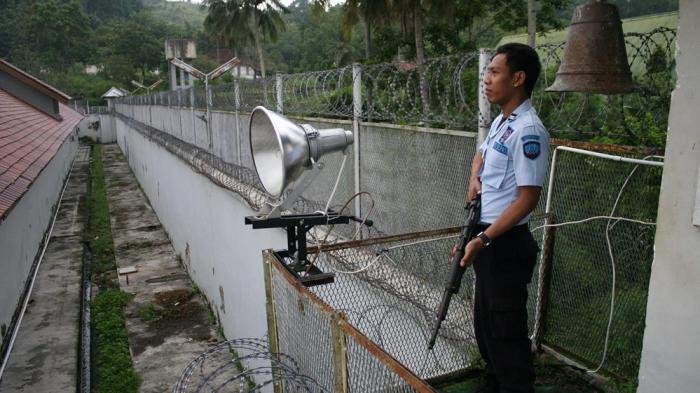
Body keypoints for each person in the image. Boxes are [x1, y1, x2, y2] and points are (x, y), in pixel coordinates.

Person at [452, 43, 549, 393]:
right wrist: (473, 177)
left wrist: (484, 238)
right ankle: (494, 383)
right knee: (487, 329)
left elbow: (527, 199)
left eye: (494, 72)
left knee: (506, 335)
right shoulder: (501, 123)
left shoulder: (529, 130)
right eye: (487, 72)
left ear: (518, 78)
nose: (486, 79)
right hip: (487, 238)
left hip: (505, 244)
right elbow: (482, 155)